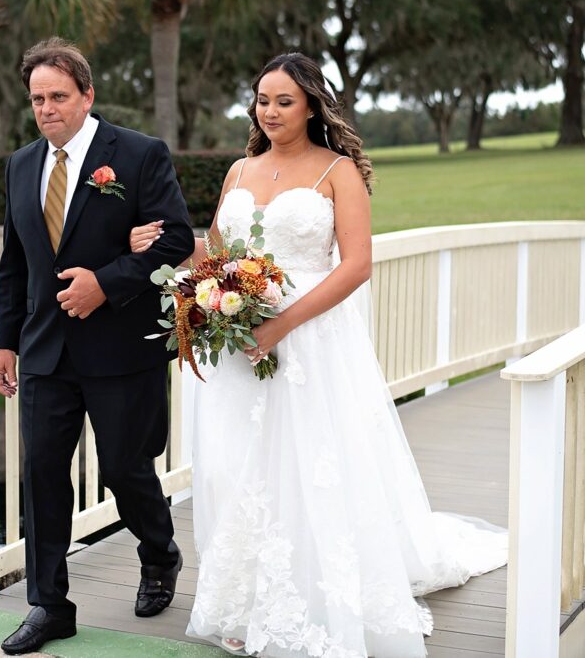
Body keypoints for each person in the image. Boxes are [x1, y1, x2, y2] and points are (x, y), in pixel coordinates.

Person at [129, 53, 506, 658]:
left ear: (310, 105)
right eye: (262, 100)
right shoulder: (238, 170)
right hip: (235, 341)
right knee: (240, 464)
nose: (270, 111)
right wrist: (164, 248)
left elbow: (356, 265)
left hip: (308, 340)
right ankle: (242, 600)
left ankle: (315, 595)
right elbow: (218, 254)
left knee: (309, 462)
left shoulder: (338, 171)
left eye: (284, 100)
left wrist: (279, 327)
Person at [0, 37, 196, 656]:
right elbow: (14, 264)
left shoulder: (136, 155)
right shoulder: (21, 165)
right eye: (37, 99)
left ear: (87, 96)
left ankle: (160, 554)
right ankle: (49, 606)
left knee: (126, 472)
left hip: (121, 350)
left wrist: (105, 284)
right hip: (45, 352)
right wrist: (5, 343)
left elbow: (175, 240)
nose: (47, 108)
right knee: (43, 477)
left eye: (58, 96)